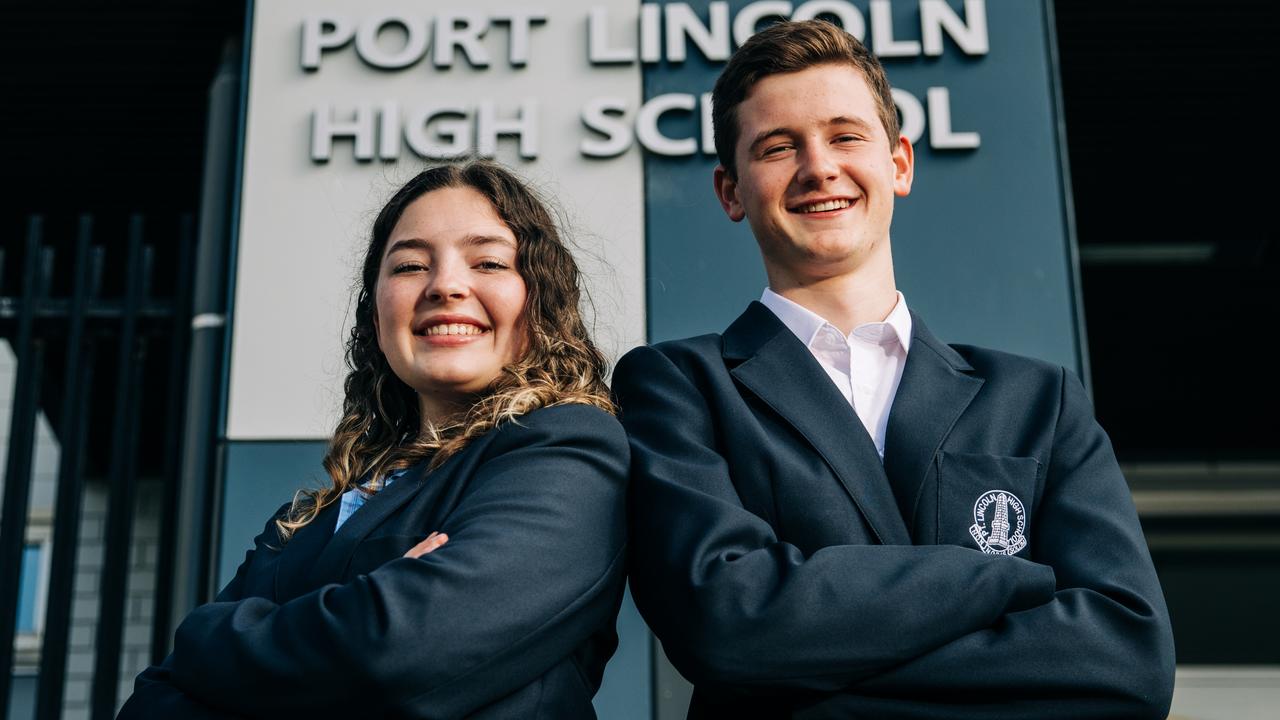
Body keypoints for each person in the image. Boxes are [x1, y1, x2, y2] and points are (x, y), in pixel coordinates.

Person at [612, 20, 1175, 719]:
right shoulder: (677, 388)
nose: (819, 167)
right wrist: (1005, 580)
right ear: (730, 192)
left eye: (845, 136)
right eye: (779, 147)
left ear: (900, 163)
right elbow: (730, 627)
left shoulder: (1040, 401)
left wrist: (811, 684)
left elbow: (1127, 661)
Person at [119, 160, 629, 719]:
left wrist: (211, 634)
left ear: (540, 298)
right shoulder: (308, 520)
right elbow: (152, 702)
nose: (446, 286)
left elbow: (398, 650)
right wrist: (368, 608)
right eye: (410, 265)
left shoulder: (569, 446)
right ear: (376, 307)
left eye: (488, 262)